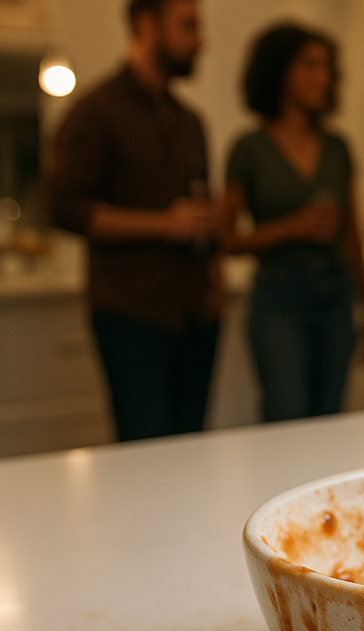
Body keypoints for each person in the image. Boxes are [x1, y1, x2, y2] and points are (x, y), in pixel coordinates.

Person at [49, 0, 220, 442]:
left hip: (194, 317)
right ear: (147, 25)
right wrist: (162, 224)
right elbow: (66, 208)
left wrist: (214, 282)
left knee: (190, 451)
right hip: (133, 317)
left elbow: (201, 218)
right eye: (188, 27)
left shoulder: (190, 121)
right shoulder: (97, 111)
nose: (201, 41)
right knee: (145, 454)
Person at [223, 23, 364, 422]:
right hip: (278, 297)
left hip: (335, 294)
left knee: (329, 416)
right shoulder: (249, 148)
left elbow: (353, 235)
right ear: (280, 70)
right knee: (287, 412)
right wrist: (292, 227)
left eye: (326, 67)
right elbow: (226, 239)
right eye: (309, 65)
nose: (320, 77)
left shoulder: (338, 146)